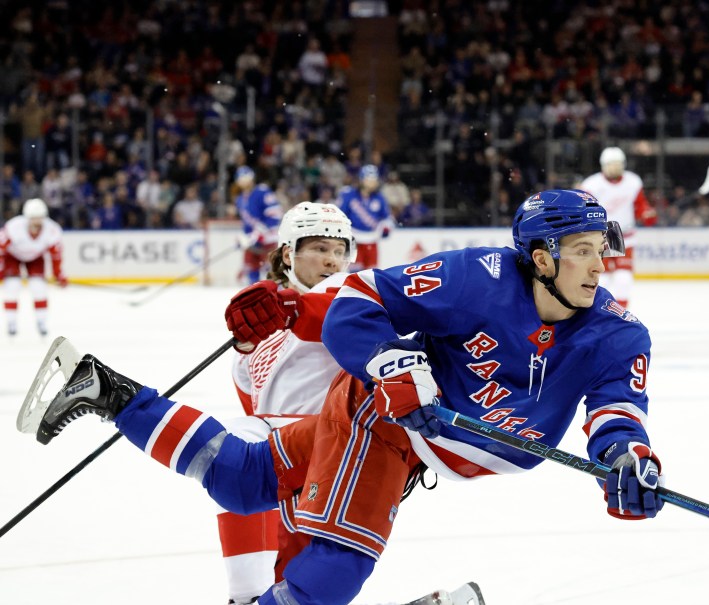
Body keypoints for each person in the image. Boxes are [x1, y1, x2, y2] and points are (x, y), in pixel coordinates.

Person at [37, 189, 662, 604]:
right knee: (336, 567)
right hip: (382, 421)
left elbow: (617, 416)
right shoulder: (479, 275)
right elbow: (362, 300)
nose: (598, 266)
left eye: (600, 252)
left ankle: (107, 390)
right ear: (540, 258)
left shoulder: (618, 333)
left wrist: (629, 463)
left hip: (418, 446)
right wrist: (387, 359)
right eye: (581, 252)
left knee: (244, 477)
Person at [218, 201, 356, 604]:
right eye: (319, 248)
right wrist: (246, 342)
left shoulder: (351, 295)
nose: (332, 260)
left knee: (310, 569)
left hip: (336, 451)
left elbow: (337, 315)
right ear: (287, 253)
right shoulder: (260, 322)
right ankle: (245, 596)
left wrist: (288, 309)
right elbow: (249, 400)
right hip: (282, 455)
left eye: (338, 250)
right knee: (285, 567)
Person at [579, 146, 657, 307]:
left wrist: (646, 213)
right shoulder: (591, 185)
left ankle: (620, 314)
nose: (614, 168)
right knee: (603, 278)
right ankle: (601, 310)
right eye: (611, 164)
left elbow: (640, 206)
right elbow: (583, 211)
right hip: (601, 236)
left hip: (625, 236)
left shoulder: (633, 182)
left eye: (617, 164)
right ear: (603, 165)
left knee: (623, 279)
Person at [1, 198, 67, 336]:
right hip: (13, 257)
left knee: (39, 289)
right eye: (33, 218)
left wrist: (58, 274)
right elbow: (1, 250)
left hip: (36, 258)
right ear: (27, 218)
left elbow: (56, 255)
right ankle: (11, 322)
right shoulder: (13, 227)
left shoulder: (53, 230)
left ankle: (41, 321)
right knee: (12, 287)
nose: (37, 222)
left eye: (40, 218)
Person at [335, 164, 393, 271]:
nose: (373, 182)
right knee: (355, 275)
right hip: (354, 240)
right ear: (362, 179)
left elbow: (387, 218)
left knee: (371, 275)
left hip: (372, 240)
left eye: (375, 179)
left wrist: (386, 227)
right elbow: (339, 214)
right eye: (370, 179)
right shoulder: (349, 194)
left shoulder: (379, 197)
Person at [235, 166, 283, 284]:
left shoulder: (262, 191)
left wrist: (264, 230)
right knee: (252, 268)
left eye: (246, 178)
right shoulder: (240, 199)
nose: (244, 181)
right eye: (241, 178)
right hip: (253, 241)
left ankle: (275, 296)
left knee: (272, 271)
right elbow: (246, 223)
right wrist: (244, 237)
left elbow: (275, 213)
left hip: (269, 239)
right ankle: (254, 295)